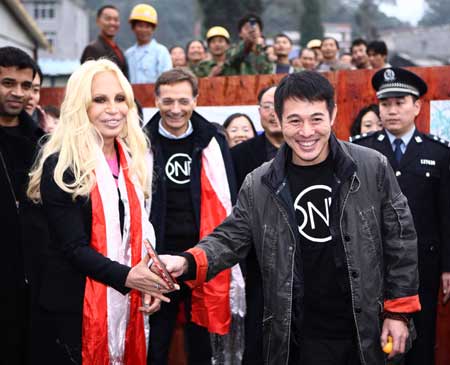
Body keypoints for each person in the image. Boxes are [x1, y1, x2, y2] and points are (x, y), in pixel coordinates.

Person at [160, 71, 420, 365]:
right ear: (279, 120)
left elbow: (401, 240)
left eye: (316, 119)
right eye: (295, 120)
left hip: (365, 332)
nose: (306, 132)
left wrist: (398, 312)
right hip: (295, 336)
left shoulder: (371, 167)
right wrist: (186, 260)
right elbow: (229, 238)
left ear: (333, 114)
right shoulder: (260, 183)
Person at [26, 59, 172, 364]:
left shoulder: (132, 160)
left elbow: (141, 232)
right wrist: (131, 278)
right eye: (100, 100)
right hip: (73, 309)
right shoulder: (62, 164)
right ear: (81, 106)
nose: (114, 109)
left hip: (126, 299)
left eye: (120, 99)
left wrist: (149, 282)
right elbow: (74, 248)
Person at [352, 67, 450, 365]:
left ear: (417, 106)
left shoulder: (440, 152)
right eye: (385, 104)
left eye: (400, 103)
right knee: (370, 342)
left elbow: (446, 214)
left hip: (423, 265)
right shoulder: (360, 149)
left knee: (420, 345)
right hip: (372, 265)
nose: (392, 111)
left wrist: (448, 266)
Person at [143, 68, 239, 365]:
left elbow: (230, 198)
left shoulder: (213, 141)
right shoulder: (140, 141)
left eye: (183, 101)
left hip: (201, 256)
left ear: (196, 100)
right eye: (168, 101)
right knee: (155, 342)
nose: (175, 109)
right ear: (156, 100)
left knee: (202, 342)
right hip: (154, 258)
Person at [0, 46, 42, 365]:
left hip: (34, 281)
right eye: (8, 83)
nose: (18, 92)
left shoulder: (44, 144)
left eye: (26, 85)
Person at [231, 85, 283, 188]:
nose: (273, 113)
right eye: (267, 106)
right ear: (259, 111)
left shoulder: (306, 149)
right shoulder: (238, 154)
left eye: (279, 106)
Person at [125, 4, 172, 84]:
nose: (144, 30)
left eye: (147, 26)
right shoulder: (128, 54)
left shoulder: (161, 51)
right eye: (140, 26)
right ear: (133, 28)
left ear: (153, 29)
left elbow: (167, 80)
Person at [80, 5, 128, 78]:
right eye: (108, 19)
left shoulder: (118, 50)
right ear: (98, 21)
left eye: (116, 19)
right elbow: (87, 79)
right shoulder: (92, 49)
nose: (112, 23)